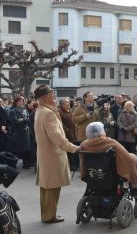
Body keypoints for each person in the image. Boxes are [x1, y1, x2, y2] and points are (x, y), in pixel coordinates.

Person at [33, 85, 80, 224]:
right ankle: (49, 216)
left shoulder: (41, 110)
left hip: (45, 154)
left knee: (46, 187)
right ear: (46, 97)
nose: (54, 96)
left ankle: (46, 215)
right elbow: (57, 138)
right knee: (52, 187)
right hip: (53, 155)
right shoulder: (48, 113)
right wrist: (75, 148)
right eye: (52, 94)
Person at [7, 96, 32, 169]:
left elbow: (29, 119)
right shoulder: (12, 110)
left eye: (22, 101)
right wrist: (25, 119)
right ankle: (12, 165)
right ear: (16, 102)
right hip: (17, 133)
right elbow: (15, 121)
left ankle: (26, 164)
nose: (21, 102)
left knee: (26, 149)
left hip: (26, 132)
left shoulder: (25, 110)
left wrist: (22, 119)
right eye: (19, 101)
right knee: (16, 150)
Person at [59, 97, 78, 171]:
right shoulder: (60, 112)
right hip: (66, 134)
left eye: (68, 102)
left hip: (73, 132)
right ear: (62, 104)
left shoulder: (70, 110)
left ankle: (73, 164)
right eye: (66, 102)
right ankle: (70, 165)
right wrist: (67, 130)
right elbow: (60, 123)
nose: (68, 103)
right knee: (68, 150)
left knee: (73, 148)